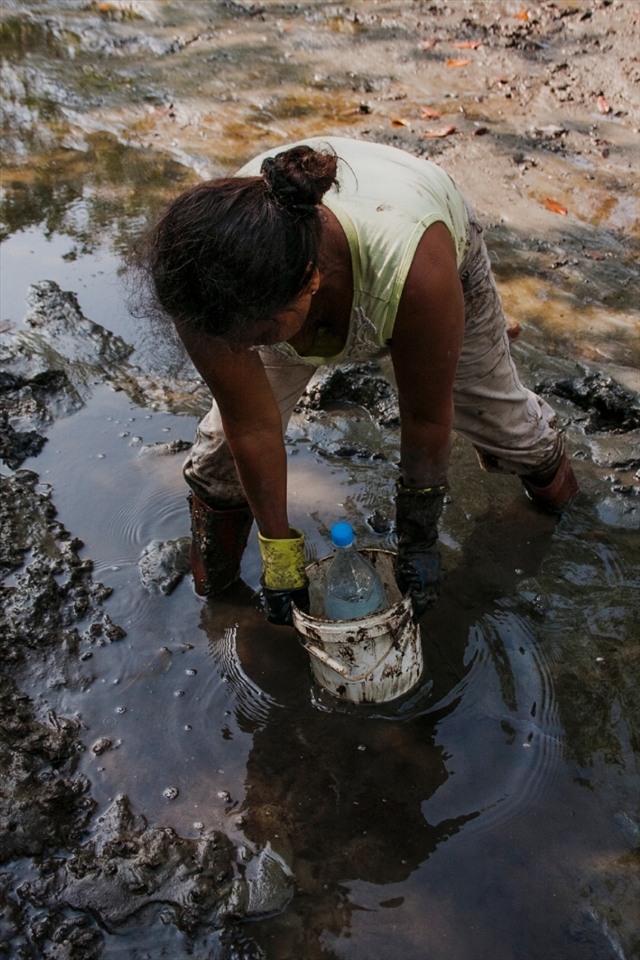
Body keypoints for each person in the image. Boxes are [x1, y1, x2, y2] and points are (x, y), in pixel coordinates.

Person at [131, 136, 579, 625]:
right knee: (220, 462)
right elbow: (252, 427)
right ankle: (217, 606)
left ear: (309, 282)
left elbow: (426, 418)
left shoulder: (417, 271)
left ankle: (574, 517)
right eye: (236, 341)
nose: (245, 350)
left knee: (507, 430)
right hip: (269, 287)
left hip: (415, 246)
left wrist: (418, 540)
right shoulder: (200, 281)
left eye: (257, 338)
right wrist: (280, 562)